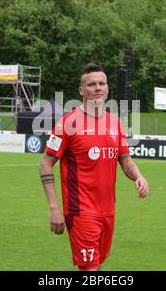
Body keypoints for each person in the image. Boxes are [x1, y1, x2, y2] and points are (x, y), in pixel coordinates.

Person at [39, 63, 149, 271]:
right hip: (80, 210)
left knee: (97, 265)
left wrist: (139, 177)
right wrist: (54, 208)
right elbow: (45, 163)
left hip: (108, 210)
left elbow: (125, 159)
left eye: (101, 83)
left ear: (107, 89)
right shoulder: (67, 123)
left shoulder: (114, 122)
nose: (97, 88)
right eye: (91, 84)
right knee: (90, 269)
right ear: (81, 91)